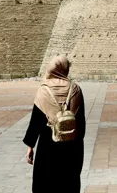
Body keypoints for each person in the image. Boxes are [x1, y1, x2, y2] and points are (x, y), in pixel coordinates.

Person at [23, 55, 85, 192]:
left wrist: (30, 146)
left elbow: (36, 122)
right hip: (71, 145)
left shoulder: (43, 91)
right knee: (68, 183)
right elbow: (81, 123)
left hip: (48, 146)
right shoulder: (75, 89)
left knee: (46, 183)